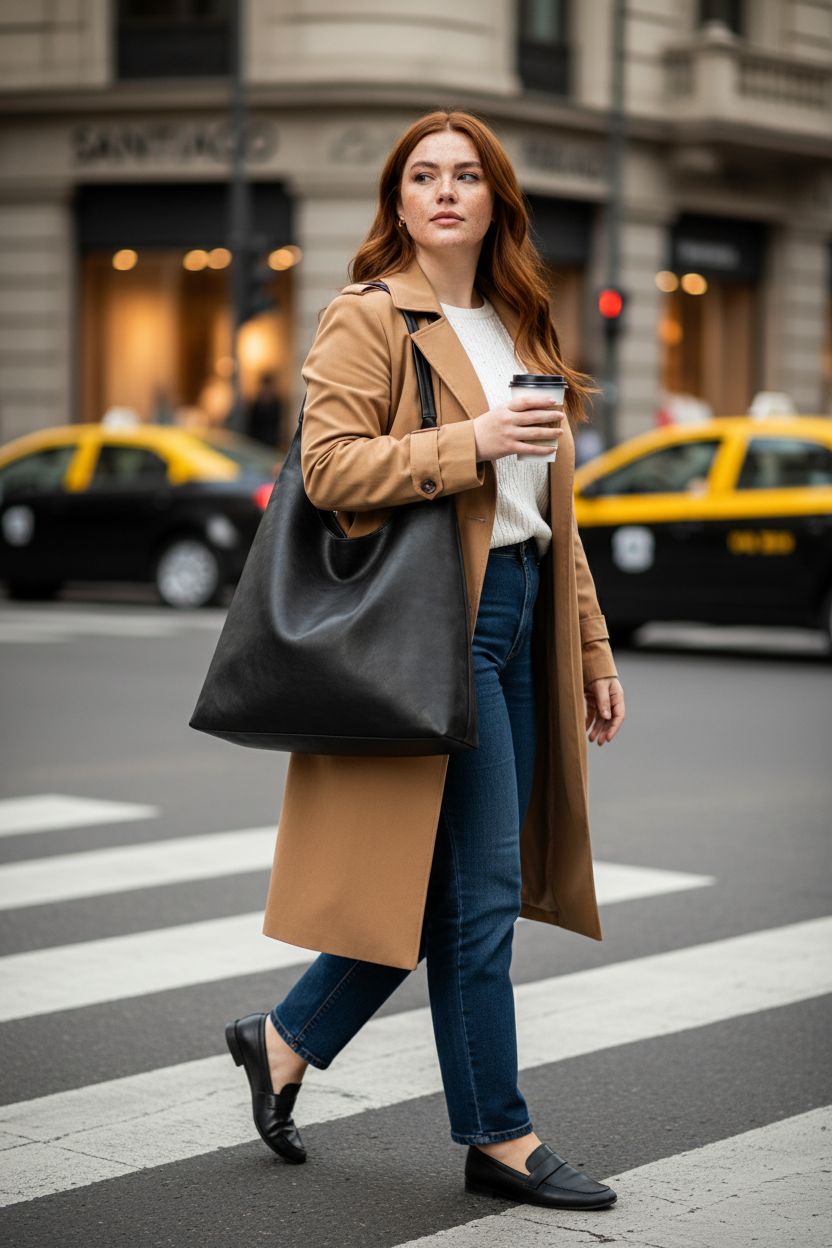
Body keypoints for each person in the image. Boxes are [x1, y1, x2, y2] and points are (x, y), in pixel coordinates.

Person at [225, 109, 626, 1212]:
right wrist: (472, 444)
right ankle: (500, 1136)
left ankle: (283, 1040)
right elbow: (328, 468)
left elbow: (554, 516)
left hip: (524, 612)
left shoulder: (521, 324)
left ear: (496, 202)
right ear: (398, 204)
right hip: (436, 622)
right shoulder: (368, 315)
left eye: (466, 176)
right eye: (423, 176)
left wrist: (591, 648)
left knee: (445, 890)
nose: (445, 191)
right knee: (480, 892)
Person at [245, 370, 284, 447]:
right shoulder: (255, 405)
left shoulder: (276, 404)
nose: (266, 390)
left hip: (272, 444)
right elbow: (251, 427)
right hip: (256, 444)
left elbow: (277, 427)